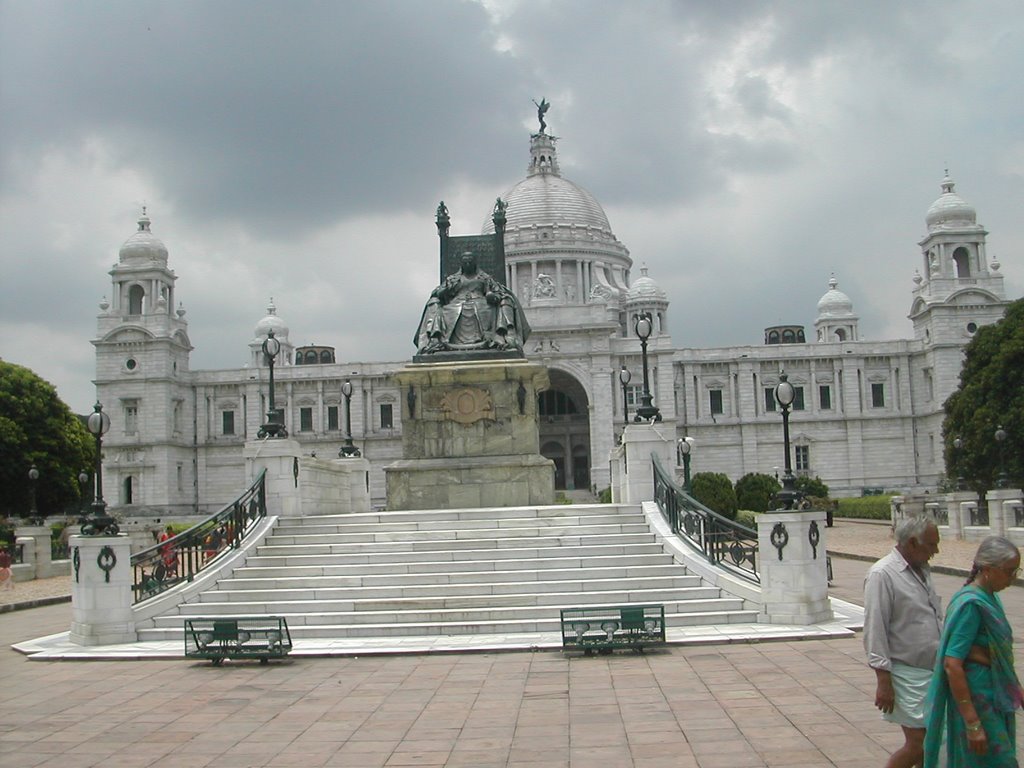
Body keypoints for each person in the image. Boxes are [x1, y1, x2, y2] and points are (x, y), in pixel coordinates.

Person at [923, 536, 1024, 767]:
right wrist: (973, 723)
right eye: (1009, 571)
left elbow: (997, 653)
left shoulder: (990, 598)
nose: (1013, 578)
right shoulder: (971, 604)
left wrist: (1016, 690)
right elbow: (952, 663)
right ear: (988, 569)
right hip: (978, 701)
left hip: (995, 695)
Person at [864, 516, 944, 768]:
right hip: (906, 672)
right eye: (931, 545)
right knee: (918, 744)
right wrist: (883, 680)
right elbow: (875, 628)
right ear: (912, 542)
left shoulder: (921, 569)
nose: (936, 551)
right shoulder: (882, 574)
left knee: (933, 741)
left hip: (932, 670)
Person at [414, 251, 530, 355]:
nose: (468, 264)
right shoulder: (453, 279)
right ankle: (434, 339)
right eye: (465, 262)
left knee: (493, 306)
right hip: (455, 304)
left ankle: (503, 337)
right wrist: (446, 290)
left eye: (470, 262)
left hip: (481, 303)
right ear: (461, 264)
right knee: (435, 304)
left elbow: (498, 292)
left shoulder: (485, 278)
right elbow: (438, 293)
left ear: (475, 263)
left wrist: (492, 296)